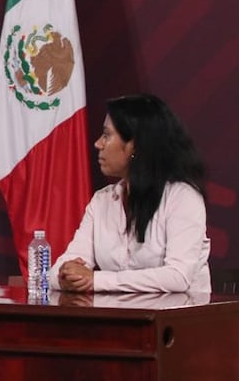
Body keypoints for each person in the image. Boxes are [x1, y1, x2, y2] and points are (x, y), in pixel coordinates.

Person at [48, 94, 210, 293]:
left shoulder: (182, 197)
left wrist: (96, 280)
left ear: (136, 145)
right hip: (122, 319)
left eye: (107, 135)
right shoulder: (102, 200)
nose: (98, 144)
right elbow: (61, 267)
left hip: (181, 321)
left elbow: (177, 277)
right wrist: (65, 275)